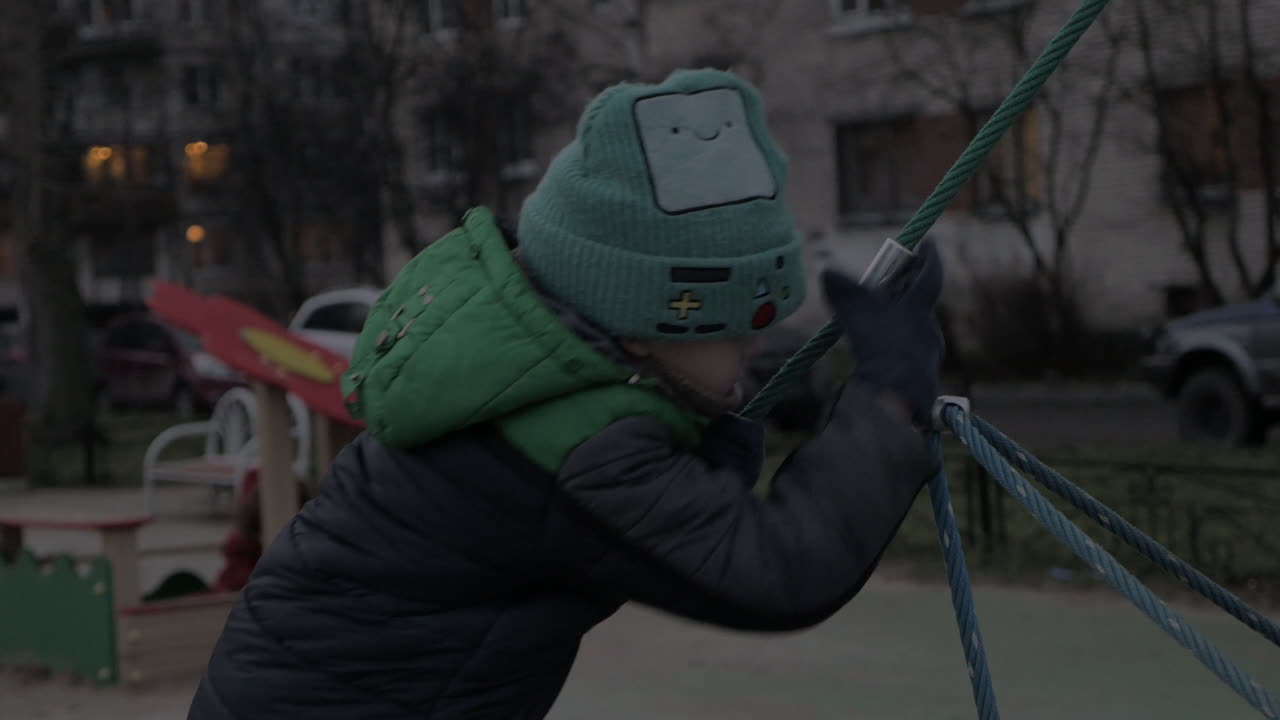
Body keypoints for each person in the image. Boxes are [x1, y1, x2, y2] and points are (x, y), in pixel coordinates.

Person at [187, 68, 944, 719]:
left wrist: (764, 397)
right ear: (642, 330)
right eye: (735, 332)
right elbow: (779, 569)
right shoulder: (574, 446)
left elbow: (683, 461)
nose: (750, 352)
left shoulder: (527, 364)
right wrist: (888, 403)